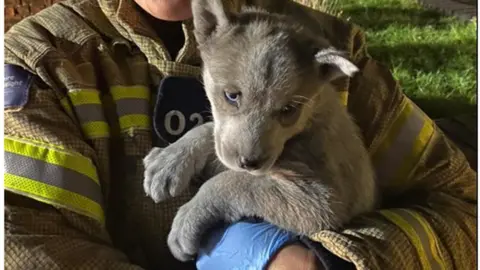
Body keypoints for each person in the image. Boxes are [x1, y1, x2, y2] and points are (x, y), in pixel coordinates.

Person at [3, 0, 476, 269]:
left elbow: (463, 207)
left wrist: (335, 261)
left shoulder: (323, 48)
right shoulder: (44, 65)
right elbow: (24, 244)